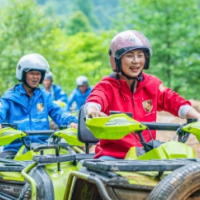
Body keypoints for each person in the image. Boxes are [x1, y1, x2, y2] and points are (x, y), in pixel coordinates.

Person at [85, 30, 200, 160]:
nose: (136, 61)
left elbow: (174, 101)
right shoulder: (107, 86)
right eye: (129, 56)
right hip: (114, 156)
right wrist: (93, 111)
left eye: (140, 55)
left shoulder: (152, 84)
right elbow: (95, 100)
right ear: (116, 60)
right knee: (106, 175)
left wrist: (197, 116)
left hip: (146, 154)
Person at [0, 53, 77, 158]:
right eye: (32, 73)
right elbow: (1, 108)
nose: (35, 77)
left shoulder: (45, 97)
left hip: (42, 149)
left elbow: (58, 112)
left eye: (38, 74)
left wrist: (70, 121)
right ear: (23, 74)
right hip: (15, 150)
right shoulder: (10, 97)